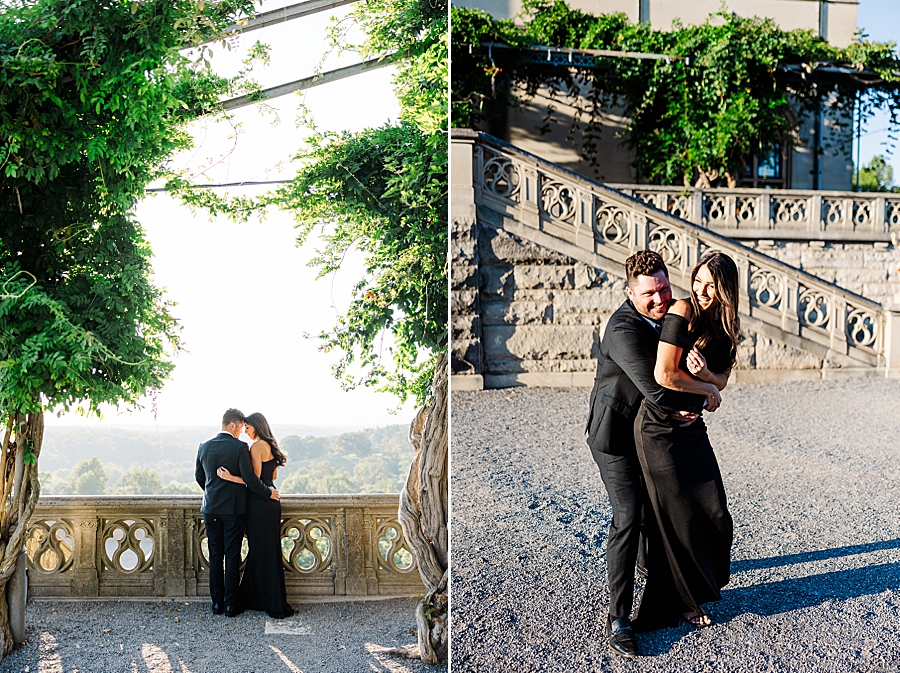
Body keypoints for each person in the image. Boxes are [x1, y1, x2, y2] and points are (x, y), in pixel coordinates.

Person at [585, 250, 722, 659]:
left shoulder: (669, 315)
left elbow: (693, 360)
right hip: (614, 437)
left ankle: (670, 582)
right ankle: (619, 619)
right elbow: (658, 388)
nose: (660, 299)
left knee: (661, 510)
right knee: (628, 516)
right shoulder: (623, 329)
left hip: (650, 435)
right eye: (650, 293)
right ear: (630, 292)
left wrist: (708, 375)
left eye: (664, 288)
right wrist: (705, 392)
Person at [631, 251, 740, 631]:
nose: (701, 290)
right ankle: (685, 603)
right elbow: (664, 374)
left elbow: (723, 379)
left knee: (713, 510)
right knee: (678, 519)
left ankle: (695, 586)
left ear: (726, 290)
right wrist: (705, 389)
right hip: (660, 430)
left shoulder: (726, 327)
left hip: (691, 431)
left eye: (711, 285)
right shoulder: (683, 310)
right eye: (698, 280)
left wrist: (709, 378)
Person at [196, 408, 279, 617]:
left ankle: (217, 604)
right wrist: (268, 492)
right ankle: (232, 604)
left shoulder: (204, 446)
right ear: (232, 425)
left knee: (215, 554)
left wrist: (214, 492)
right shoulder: (240, 447)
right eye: (241, 427)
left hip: (211, 508)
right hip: (233, 509)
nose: (242, 431)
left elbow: (200, 478)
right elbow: (251, 479)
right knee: (232, 554)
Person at [217, 412, 295, 619]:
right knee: (267, 550)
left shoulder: (256, 447)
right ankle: (263, 597)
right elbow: (272, 477)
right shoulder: (270, 447)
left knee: (260, 550)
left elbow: (254, 481)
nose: (246, 432)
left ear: (257, 427)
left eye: (248, 428)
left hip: (259, 503)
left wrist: (230, 477)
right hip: (271, 502)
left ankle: (262, 599)